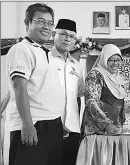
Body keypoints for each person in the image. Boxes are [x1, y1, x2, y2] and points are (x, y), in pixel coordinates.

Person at [6, 3, 65, 165]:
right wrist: (27, 124)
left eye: (50, 23)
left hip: (52, 124)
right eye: (40, 21)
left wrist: (59, 121)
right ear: (27, 23)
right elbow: (19, 87)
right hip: (34, 124)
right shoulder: (22, 49)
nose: (46, 27)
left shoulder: (47, 53)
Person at [50, 19, 85, 165]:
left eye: (72, 36)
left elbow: (78, 97)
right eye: (63, 34)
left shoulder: (76, 66)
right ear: (54, 34)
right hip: (49, 128)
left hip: (72, 129)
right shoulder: (45, 59)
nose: (67, 39)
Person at [81, 44, 127, 136]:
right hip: (97, 132)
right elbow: (91, 103)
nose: (115, 63)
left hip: (114, 131)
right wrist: (106, 124)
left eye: (118, 60)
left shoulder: (117, 78)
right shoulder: (95, 75)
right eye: (111, 60)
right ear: (104, 60)